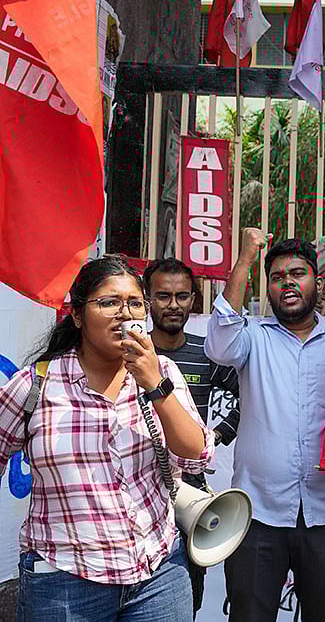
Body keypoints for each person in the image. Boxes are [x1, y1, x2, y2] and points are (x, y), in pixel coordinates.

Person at [0, 256, 214, 621]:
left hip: (158, 575)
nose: (124, 314)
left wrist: (153, 384)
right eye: (108, 302)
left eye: (134, 303)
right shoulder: (36, 384)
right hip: (65, 582)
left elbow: (196, 455)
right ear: (78, 315)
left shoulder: (162, 371)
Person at [206, 229, 325, 622]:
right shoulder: (252, 336)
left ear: (316, 282)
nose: (287, 281)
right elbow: (219, 344)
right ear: (267, 287)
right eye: (277, 276)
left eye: (298, 273)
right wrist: (245, 260)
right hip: (257, 516)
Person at [143, 257, 241, 617]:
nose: (173, 305)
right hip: (134, 489)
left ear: (193, 300)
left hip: (190, 492)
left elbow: (250, 397)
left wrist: (215, 436)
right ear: (147, 298)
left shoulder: (207, 352)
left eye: (182, 296)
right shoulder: (130, 352)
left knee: (186, 597)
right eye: (163, 296)